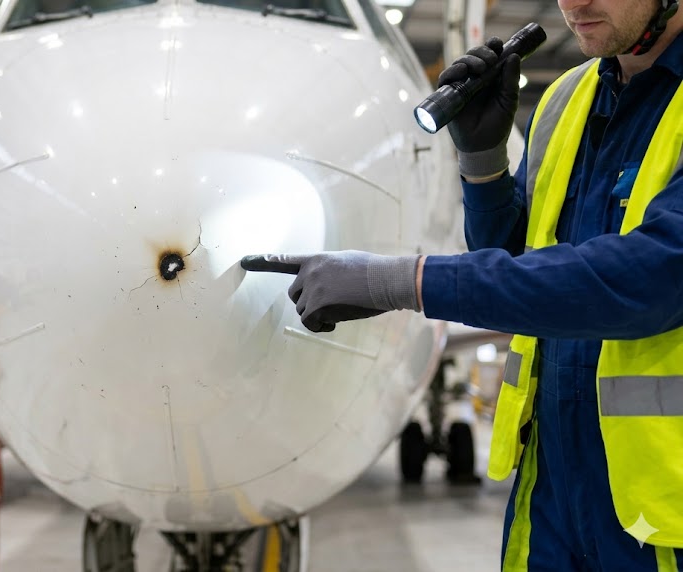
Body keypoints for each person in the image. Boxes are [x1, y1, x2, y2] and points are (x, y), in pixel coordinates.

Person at [243, 0, 683, 570]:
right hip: (552, 499)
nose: (575, 3)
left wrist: (398, 281)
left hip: (665, 519)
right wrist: (483, 160)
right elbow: (514, 259)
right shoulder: (563, 102)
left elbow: (649, 280)